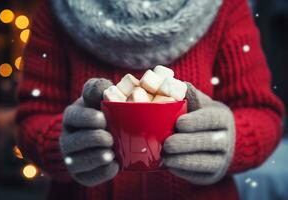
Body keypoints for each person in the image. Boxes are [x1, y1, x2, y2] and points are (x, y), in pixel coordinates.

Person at [16, 0, 285, 199]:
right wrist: (61, 144)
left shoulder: (227, 7)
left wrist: (231, 140)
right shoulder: (55, 10)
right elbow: (30, 121)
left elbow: (265, 115)